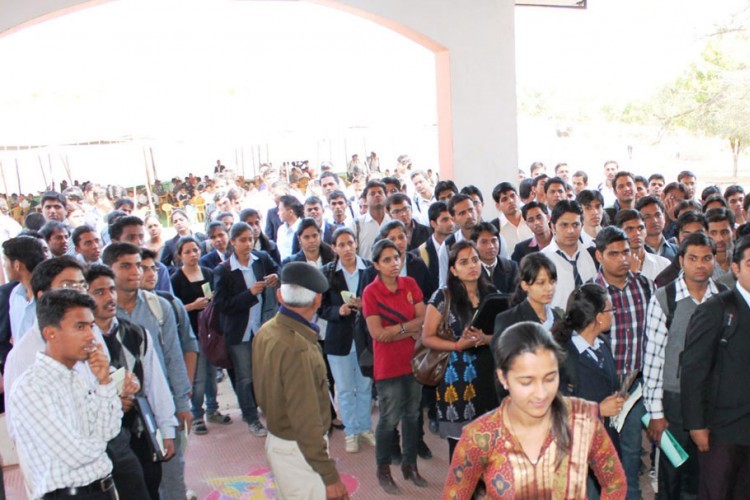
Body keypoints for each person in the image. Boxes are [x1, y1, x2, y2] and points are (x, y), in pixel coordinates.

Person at [443, 322, 626, 498]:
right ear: (504, 377)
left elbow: (615, 482)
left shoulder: (582, 420)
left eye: (550, 378)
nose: (541, 393)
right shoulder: (480, 437)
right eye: (526, 381)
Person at [8, 290, 121, 500]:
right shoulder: (31, 388)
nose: (90, 336)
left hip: (102, 489)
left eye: (91, 326)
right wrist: (100, 441)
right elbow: (75, 454)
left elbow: (111, 429)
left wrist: (105, 382)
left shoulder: (77, 377)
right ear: (51, 333)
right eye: (80, 327)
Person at [252, 262, 349, 500]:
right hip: (299, 452)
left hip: (281, 441)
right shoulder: (298, 349)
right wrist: (329, 476)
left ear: (279, 295)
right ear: (318, 300)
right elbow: (305, 421)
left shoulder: (267, 330)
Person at [642, 233, 722, 500]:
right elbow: (653, 358)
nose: (700, 265)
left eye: (707, 258)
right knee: (672, 473)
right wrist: (655, 412)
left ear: (714, 260)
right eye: (693, 258)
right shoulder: (665, 299)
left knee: (708, 471)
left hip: (714, 399)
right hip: (673, 400)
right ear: (681, 261)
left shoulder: (723, 297)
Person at [681, 236, 750, 498]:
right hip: (722, 428)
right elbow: (693, 369)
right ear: (736, 268)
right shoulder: (717, 308)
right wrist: (697, 425)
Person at [421, 240, 499, 459]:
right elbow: (427, 338)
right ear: (453, 270)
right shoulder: (442, 297)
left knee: (489, 436)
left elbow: (503, 331)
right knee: (461, 446)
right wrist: (456, 345)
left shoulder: (491, 292)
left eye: (475, 260)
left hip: (488, 372)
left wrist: (485, 338)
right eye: (464, 262)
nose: (472, 265)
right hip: (456, 377)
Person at [593, 226, 654, 500]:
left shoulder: (644, 285)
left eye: (626, 252)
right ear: (599, 256)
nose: (622, 259)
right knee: (605, 448)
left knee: (632, 447)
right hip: (605, 381)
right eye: (614, 254)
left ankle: (632, 495)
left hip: (639, 381)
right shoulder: (591, 292)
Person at [362, 239, 427, 494]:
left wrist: (398, 330)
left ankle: (410, 466)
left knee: (413, 415)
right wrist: (407, 328)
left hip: (414, 361)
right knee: (389, 419)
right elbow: (378, 334)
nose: (394, 263)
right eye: (387, 260)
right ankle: (384, 470)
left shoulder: (410, 284)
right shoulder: (371, 292)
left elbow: (424, 319)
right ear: (376, 264)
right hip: (387, 366)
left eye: (397, 258)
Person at [552, 285, 624, 497]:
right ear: (598, 317)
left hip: (605, 441)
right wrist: (599, 409)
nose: (614, 315)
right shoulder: (562, 355)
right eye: (610, 310)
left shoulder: (603, 344)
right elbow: (556, 407)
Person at [213, 222, 278, 436]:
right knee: (244, 377)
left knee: (265, 372)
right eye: (242, 240)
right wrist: (249, 294)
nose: (248, 244)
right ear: (232, 242)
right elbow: (222, 305)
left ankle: (269, 409)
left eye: (250, 239)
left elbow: (278, 271)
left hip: (263, 327)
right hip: (239, 332)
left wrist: (276, 277)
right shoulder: (224, 270)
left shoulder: (262, 259)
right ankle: (251, 418)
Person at [170, 236, 232, 434]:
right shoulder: (176, 279)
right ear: (180, 256)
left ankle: (213, 409)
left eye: (195, 250)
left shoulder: (208, 272)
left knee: (212, 374)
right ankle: (197, 414)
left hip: (211, 332)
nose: (192, 255)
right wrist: (192, 306)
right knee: (197, 378)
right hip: (191, 334)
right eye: (187, 251)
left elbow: (217, 296)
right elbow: (174, 309)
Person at [320, 228, 374, 454]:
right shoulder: (326, 273)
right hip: (338, 339)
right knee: (343, 389)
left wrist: (366, 306)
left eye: (350, 243)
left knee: (364, 385)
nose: (347, 248)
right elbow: (321, 307)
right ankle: (351, 431)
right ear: (334, 248)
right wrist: (338, 310)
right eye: (341, 244)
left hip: (365, 338)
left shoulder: (369, 269)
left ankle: (365, 427)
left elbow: (379, 300)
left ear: (356, 244)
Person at [541, 200, 598, 311]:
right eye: (564, 225)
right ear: (553, 227)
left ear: (581, 225)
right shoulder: (542, 259)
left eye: (575, 225)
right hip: (555, 325)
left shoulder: (592, 255)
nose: (570, 231)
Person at [615, 209, 670, 281]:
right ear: (619, 233)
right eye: (629, 229)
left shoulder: (664, 264)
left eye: (640, 228)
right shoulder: (613, 268)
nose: (637, 233)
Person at [470, 221, 519, 294]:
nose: (491, 246)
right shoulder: (471, 269)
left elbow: (516, 297)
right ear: (474, 245)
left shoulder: (512, 267)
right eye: (484, 242)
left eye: (494, 241)